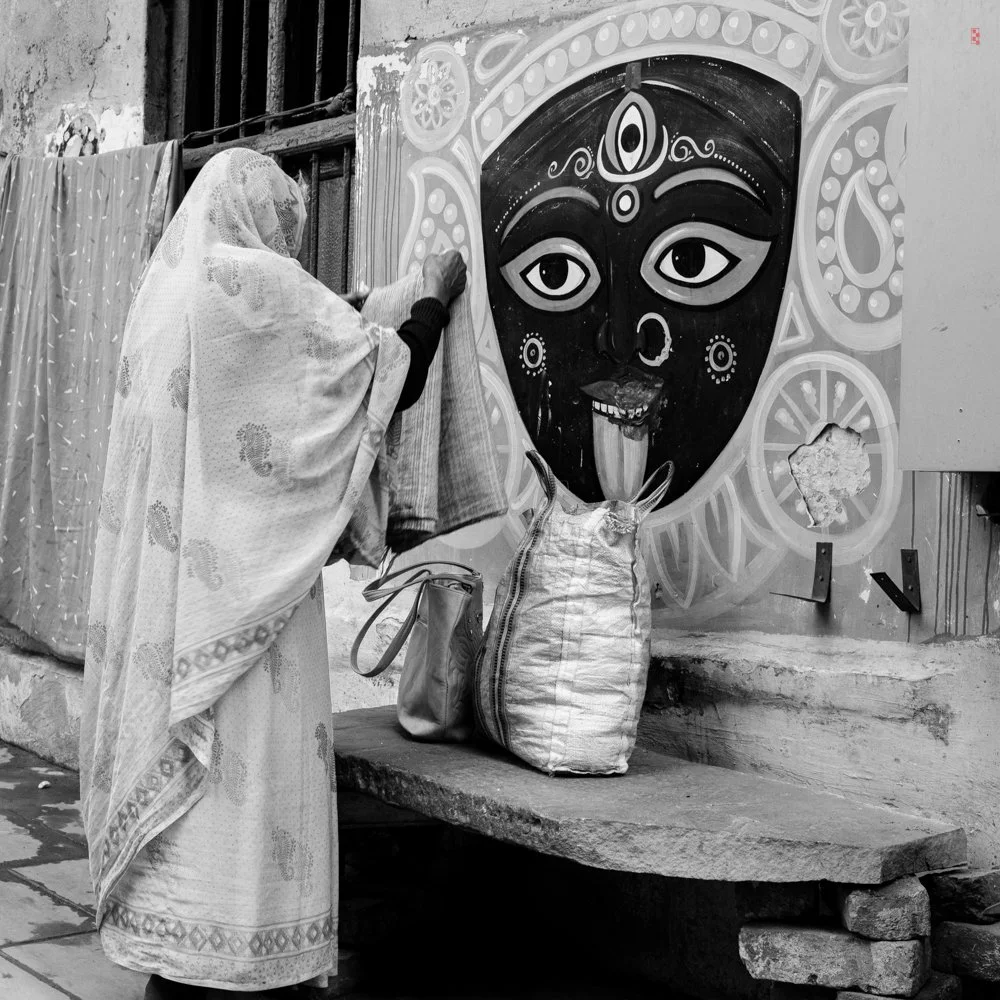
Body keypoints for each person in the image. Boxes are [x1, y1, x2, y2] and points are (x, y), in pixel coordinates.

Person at [79, 147, 466, 999]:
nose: (290, 254)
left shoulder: (162, 297)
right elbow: (378, 376)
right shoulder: (251, 287)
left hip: (170, 617)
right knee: (252, 799)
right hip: (246, 623)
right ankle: (246, 965)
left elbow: (289, 378)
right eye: (289, 230)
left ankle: (175, 965)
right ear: (267, 215)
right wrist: (433, 296)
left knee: (192, 816)